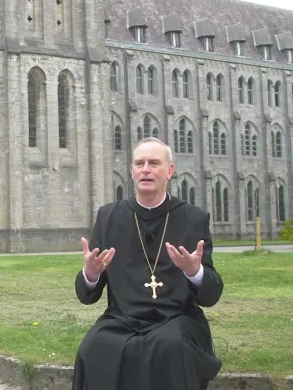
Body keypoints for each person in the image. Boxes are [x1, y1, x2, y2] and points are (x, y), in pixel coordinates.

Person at [72, 137, 224, 390]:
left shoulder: (193, 218)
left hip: (177, 317)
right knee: (95, 345)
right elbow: (88, 297)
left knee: (171, 347)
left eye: (154, 163)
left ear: (170, 171)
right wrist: (90, 274)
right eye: (139, 163)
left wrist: (194, 271)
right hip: (122, 318)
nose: (146, 169)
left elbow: (211, 295)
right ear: (131, 171)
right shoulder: (108, 217)